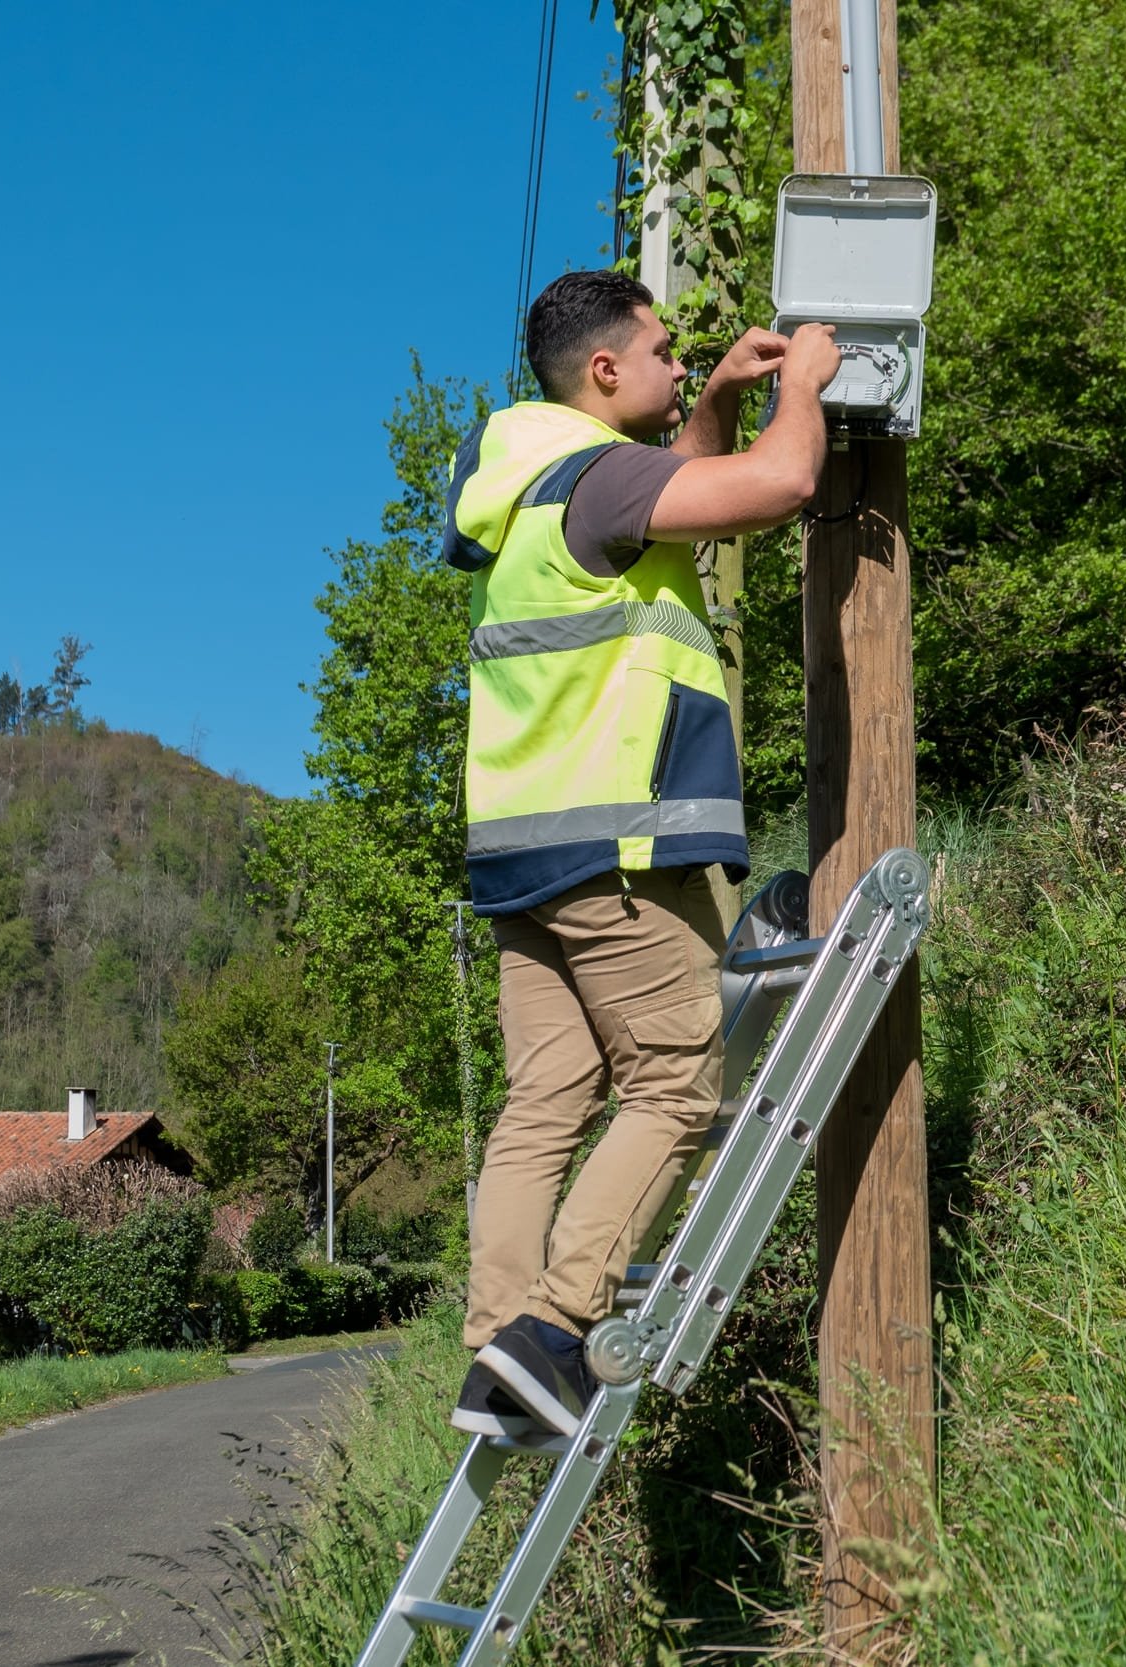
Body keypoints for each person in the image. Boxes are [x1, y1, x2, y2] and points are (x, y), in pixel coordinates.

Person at [445, 270, 841, 1438]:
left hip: (525, 856)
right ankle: (557, 1329)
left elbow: (684, 487)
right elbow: (779, 482)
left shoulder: (531, 491)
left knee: (543, 1106)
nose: (679, 366)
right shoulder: (605, 476)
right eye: (667, 353)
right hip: (621, 846)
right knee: (675, 1082)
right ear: (604, 370)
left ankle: (494, 1346)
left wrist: (715, 396)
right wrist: (804, 388)